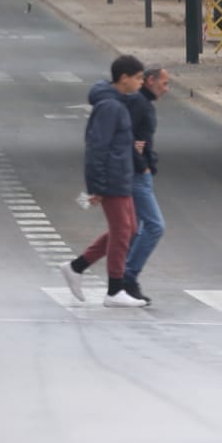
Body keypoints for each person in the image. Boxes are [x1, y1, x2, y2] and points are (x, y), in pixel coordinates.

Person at [62, 54, 149, 307]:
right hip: (112, 179)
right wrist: (97, 186)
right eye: (138, 78)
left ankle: (76, 267)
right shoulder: (110, 107)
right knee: (123, 232)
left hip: (120, 176)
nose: (141, 83)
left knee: (129, 229)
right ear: (124, 78)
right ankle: (114, 290)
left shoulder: (117, 103)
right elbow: (97, 147)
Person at [122, 64, 172, 299]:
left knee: (133, 228)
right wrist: (142, 164)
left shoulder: (142, 103)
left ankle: (120, 277)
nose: (167, 88)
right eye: (164, 83)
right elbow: (124, 135)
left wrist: (149, 160)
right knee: (154, 226)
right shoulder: (139, 104)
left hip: (141, 172)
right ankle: (127, 277)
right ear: (150, 81)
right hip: (136, 174)